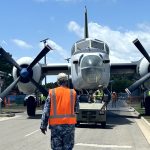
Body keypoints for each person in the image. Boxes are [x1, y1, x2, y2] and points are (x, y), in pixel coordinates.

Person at [40, 72, 78, 150]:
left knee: (57, 148)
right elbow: (76, 108)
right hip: (69, 126)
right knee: (68, 148)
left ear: (58, 82)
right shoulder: (73, 93)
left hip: (56, 126)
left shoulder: (52, 92)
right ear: (67, 82)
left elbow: (46, 110)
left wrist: (43, 125)